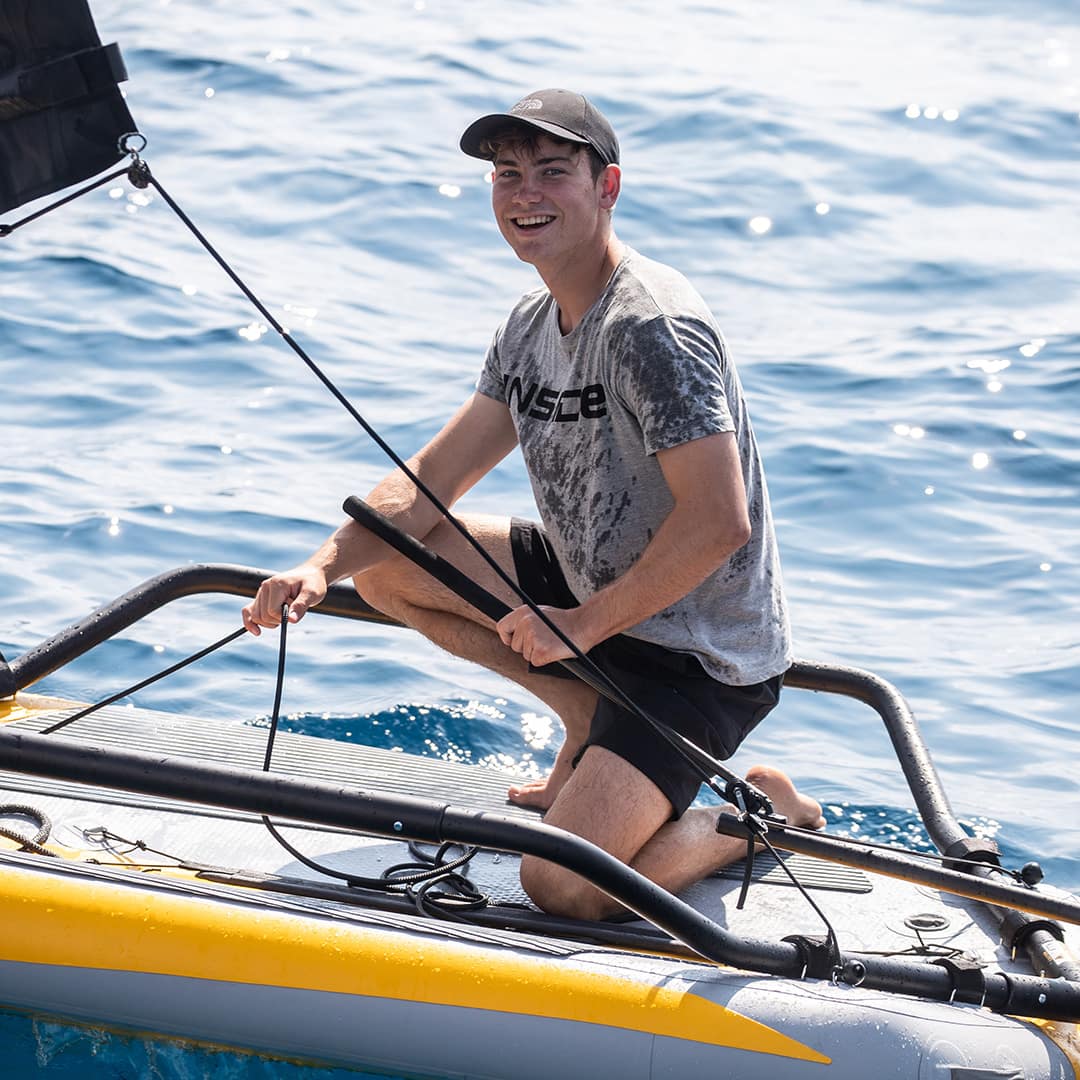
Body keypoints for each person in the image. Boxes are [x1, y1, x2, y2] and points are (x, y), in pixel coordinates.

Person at [242, 89, 824, 921]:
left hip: (697, 654)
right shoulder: (527, 326)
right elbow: (433, 478)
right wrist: (318, 567)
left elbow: (718, 522)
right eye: (507, 175)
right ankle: (587, 716)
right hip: (591, 596)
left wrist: (578, 628)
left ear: (607, 187)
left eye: (553, 172)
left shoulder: (651, 325)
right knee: (388, 567)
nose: (525, 194)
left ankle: (761, 816)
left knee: (562, 886)